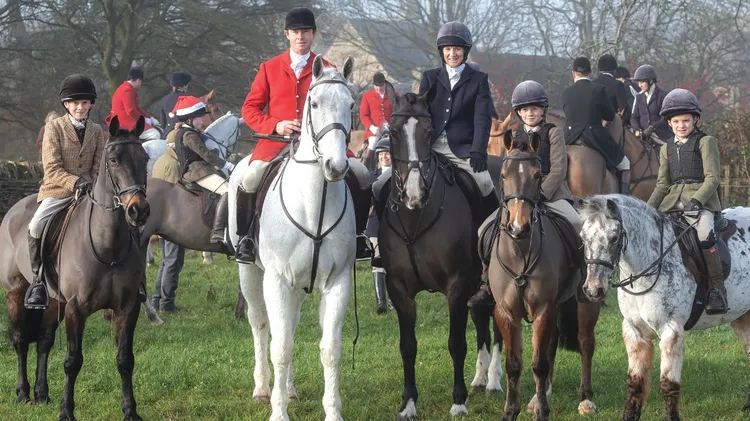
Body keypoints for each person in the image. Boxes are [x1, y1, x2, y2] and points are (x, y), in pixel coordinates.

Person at [235, 6, 371, 264]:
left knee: (362, 174)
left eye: (306, 31)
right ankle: (246, 238)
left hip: (325, 143)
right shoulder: (269, 68)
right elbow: (250, 109)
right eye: (295, 32)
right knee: (250, 177)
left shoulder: (329, 68)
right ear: (287, 34)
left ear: (313, 34)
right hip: (277, 142)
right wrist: (276, 124)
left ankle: (358, 236)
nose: (301, 36)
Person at [469, 80, 581, 308]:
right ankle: (486, 282)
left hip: (552, 194)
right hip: (519, 197)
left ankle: (581, 278)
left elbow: (559, 169)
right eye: (525, 109)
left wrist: (541, 193)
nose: (530, 113)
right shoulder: (514, 135)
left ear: (543, 110)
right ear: (519, 112)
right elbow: (508, 170)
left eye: (534, 108)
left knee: (577, 223)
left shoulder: (554, 133)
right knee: (483, 230)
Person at [415, 21, 498, 306]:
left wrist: (478, 151)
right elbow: (421, 113)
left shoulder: (478, 79)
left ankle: (491, 241)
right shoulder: (429, 77)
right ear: (442, 51)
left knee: (485, 183)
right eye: (448, 49)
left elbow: (481, 119)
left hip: (462, 150)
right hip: (430, 148)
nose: (453, 54)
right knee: (390, 180)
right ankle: (382, 246)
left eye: (458, 49)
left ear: (465, 51)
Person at [25, 74, 106, 310]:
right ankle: (38, 281)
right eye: (75, 103)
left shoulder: (96, 130)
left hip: (90, 191)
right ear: (66, 105)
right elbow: (52, 168)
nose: (80, 107)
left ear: (91, 104)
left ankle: (132, 278)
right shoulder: (53, 128)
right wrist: (76, 183)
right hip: (58, 190)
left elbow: (99, 165)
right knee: (36, 225)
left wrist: (92, 183)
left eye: (84, 103)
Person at [646, 88, 726, 314]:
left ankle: (717, 289)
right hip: (671, 203)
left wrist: (697, 201)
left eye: (686, 121)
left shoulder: (706, 142)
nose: (681, 125)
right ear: (669, 123)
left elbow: (713, 178)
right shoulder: (666, 148)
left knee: (705, 234)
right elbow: (662, 184)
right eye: (676, 121)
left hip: (702, 203)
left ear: (695, 119)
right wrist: (647, 209)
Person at [172, 95, 234, 250]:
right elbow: (206, 155)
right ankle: (218, 231)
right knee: (227, 191)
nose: (202, 121)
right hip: (197, 172)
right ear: (189, 119)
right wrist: (227, 165)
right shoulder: (189, 135)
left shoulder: (186, 132)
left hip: (201, 169)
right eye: (199, 118)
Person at [562, 56, 630, 194]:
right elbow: (609, 115)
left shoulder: (566, 92)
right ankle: (623, 198)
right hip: (594, 137)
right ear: (590, 73)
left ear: (573, 74)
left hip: (568, 137)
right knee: (625, 164)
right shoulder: (598, 90)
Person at [150, 137, 186, 313]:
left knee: (166, 261)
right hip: (172, 220)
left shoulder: (161, 160)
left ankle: (157, 300)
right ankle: (166, 304)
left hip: (161, 218)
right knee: (173, 261)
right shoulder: (173, 164)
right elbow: (176, 195)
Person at [366, 137, 392, 314]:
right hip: (376, 223)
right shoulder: (372, 176)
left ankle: (394, 299)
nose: (384, 157)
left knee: (394, 263)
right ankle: (381, 302)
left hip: (396, 224)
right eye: (381, 154)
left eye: (387, 154)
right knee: (378, 259)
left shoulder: (400, 174)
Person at [106, 67, 162, 142]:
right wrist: (144, 120)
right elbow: (131, 111)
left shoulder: (124, 88)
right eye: (141, 82)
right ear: (138, 80)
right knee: (155, 134)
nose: (140, 84)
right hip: (125, 124)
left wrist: (150, 118)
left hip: (122, 121)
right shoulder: (127, 90)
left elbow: (136, 108)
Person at [631, 64, 671, 143]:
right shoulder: (639, 97)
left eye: (642, 82)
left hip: (661, 137)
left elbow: (665, 118)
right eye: (638, 82)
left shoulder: (663, 95)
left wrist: (652, 128)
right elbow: (634, 117)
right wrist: (637, 129)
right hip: (643, 138)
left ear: (651, 81)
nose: (639, 85)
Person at [360, 72, 393, 146]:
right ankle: (368, 154)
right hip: (375, 130)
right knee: (372, 145)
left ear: (384, 84)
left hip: (391, 128)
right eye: (376, 86)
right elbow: (363, 115)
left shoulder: (392, 95)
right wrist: (372, 127)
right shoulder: (367, 96)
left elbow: (397, 112)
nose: (378, 88)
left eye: (381, 86)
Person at [159, 71, 192, 135]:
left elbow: (163, 123)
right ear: (184, 85)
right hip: (184, 134)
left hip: (167, 135)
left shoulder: (164, 99)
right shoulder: (189, 99)